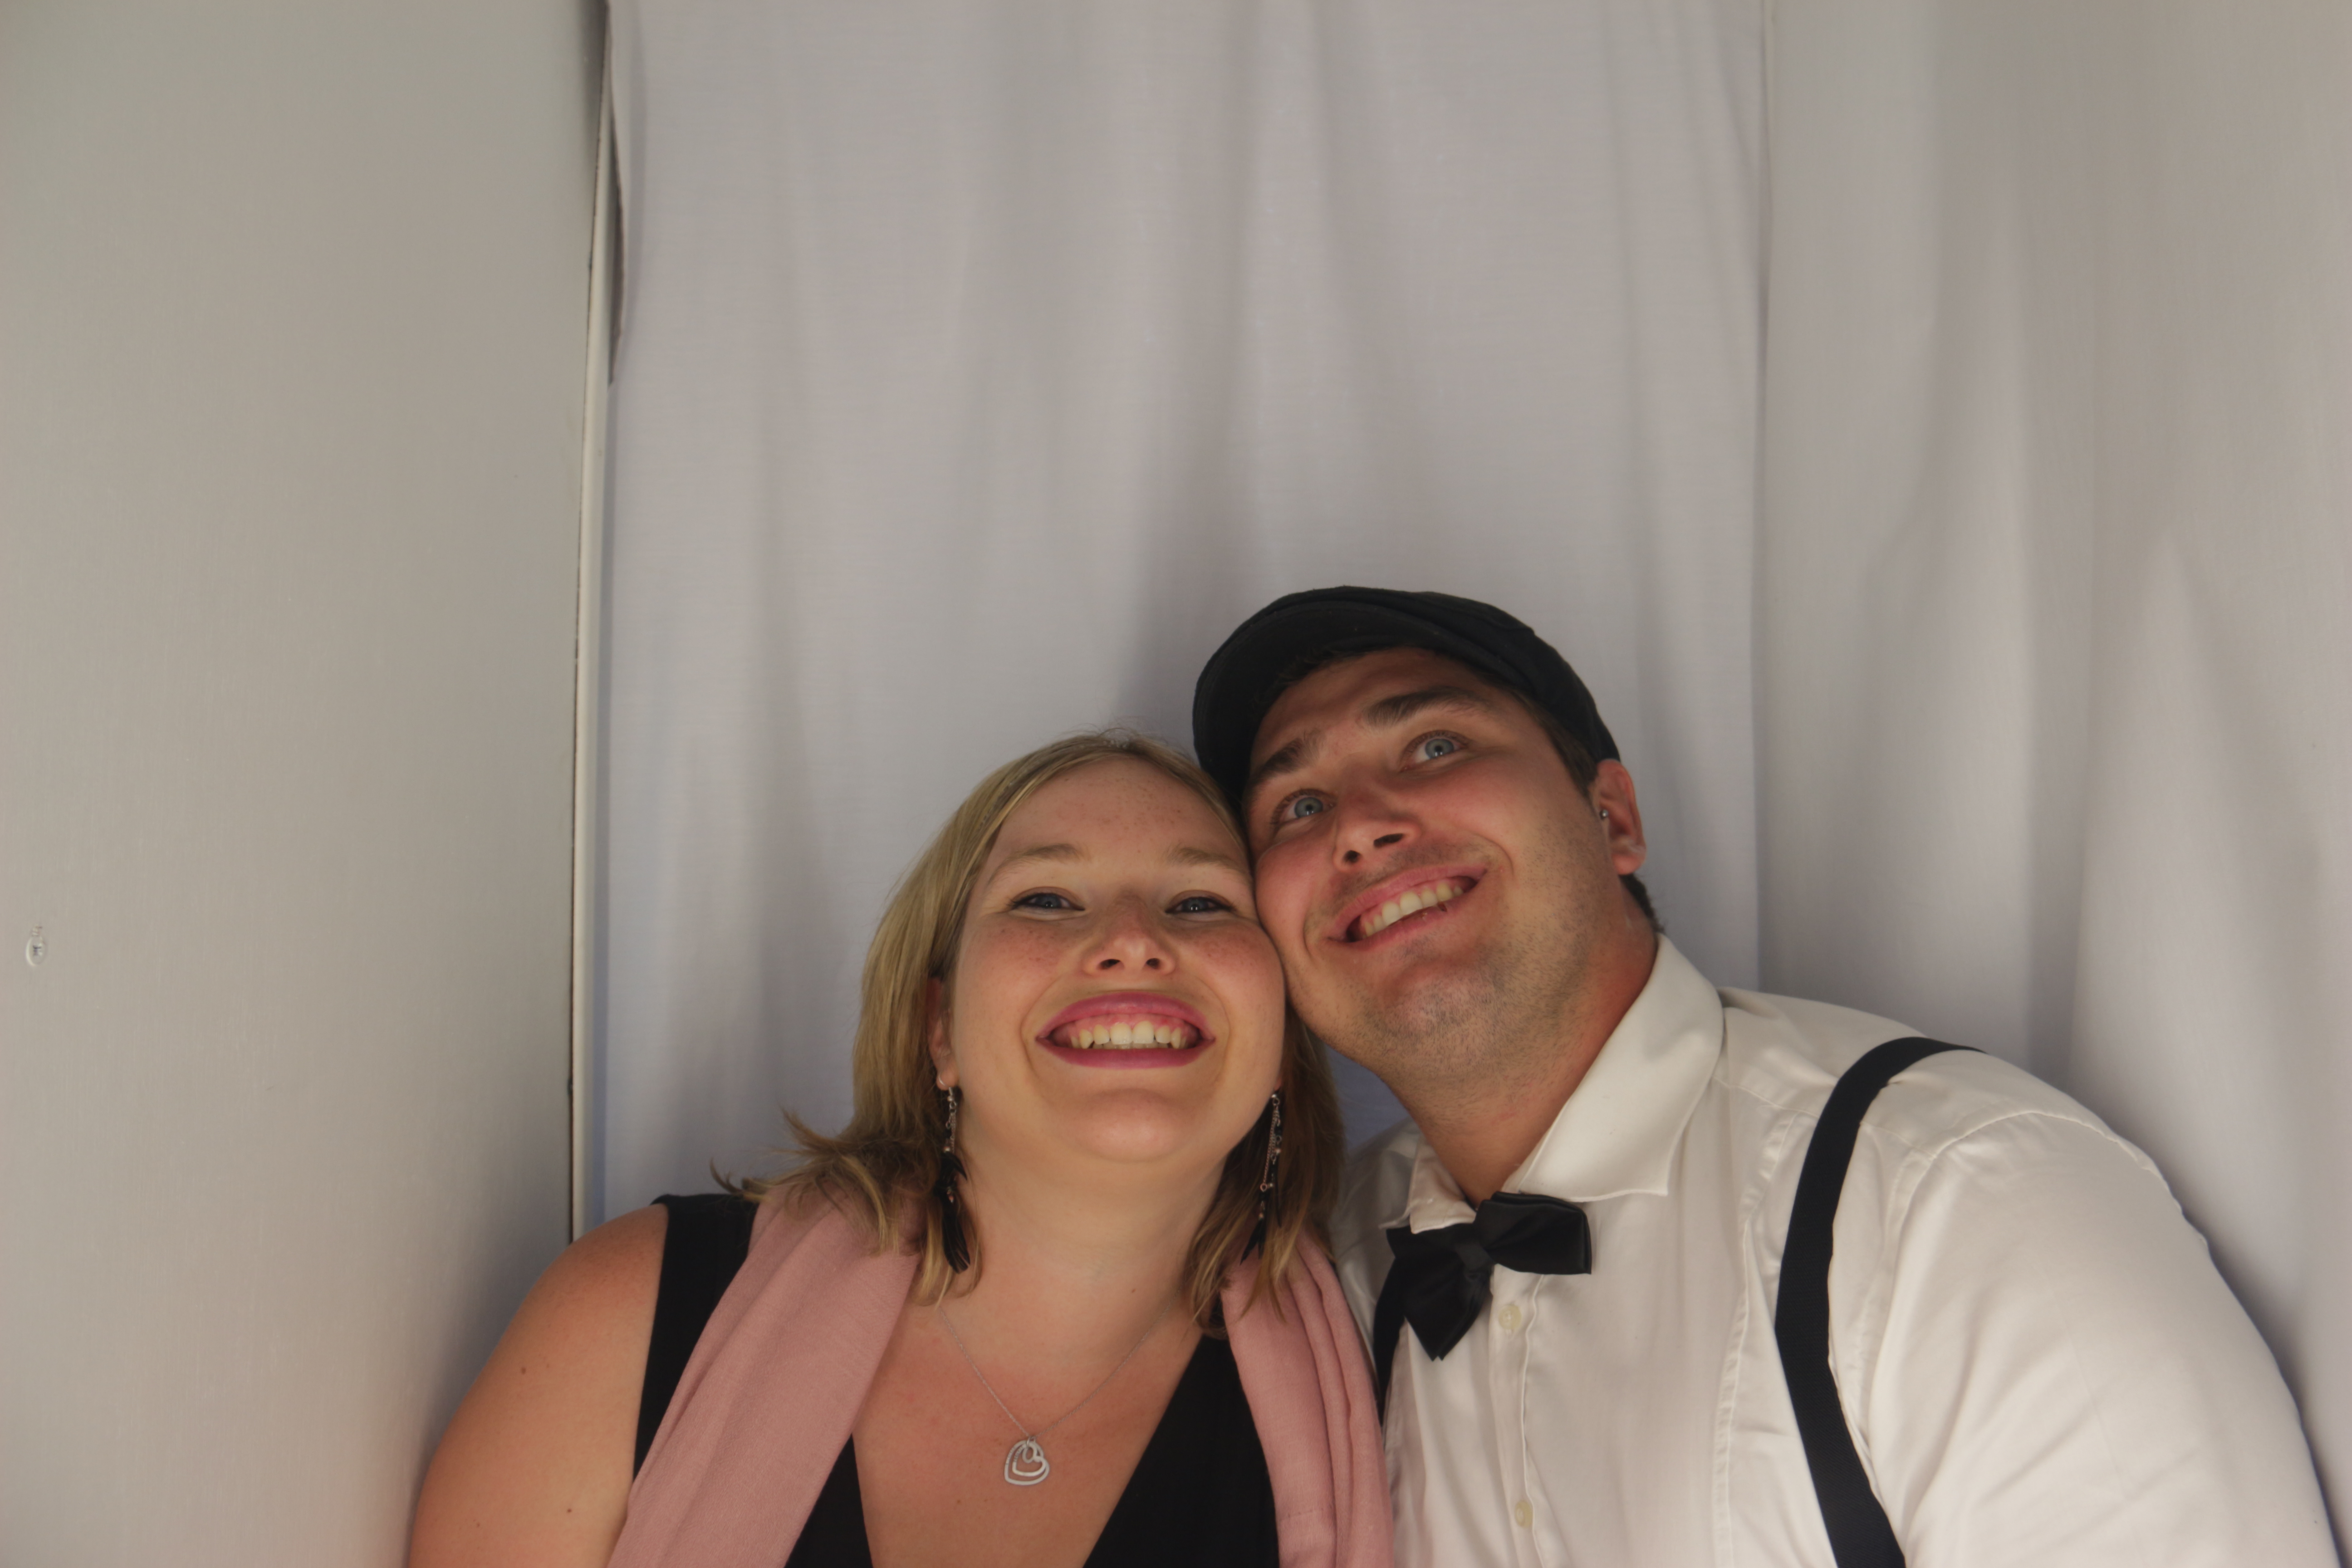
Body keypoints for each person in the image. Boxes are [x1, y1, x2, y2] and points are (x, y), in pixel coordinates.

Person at [1190, 587, 2337, 1567]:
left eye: (1436, 747)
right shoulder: (1313, 1292)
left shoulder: (1959, 1199)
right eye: (1298, 807)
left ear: (1613, 818)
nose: (1359, 829)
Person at [408, 732, 1393, 1568]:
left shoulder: (1395, 1381)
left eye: (1202, 904)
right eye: (1047, 900)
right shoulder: (631, 1317)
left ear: (1282, 1038)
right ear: (937, 1028)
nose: (1133, 941)